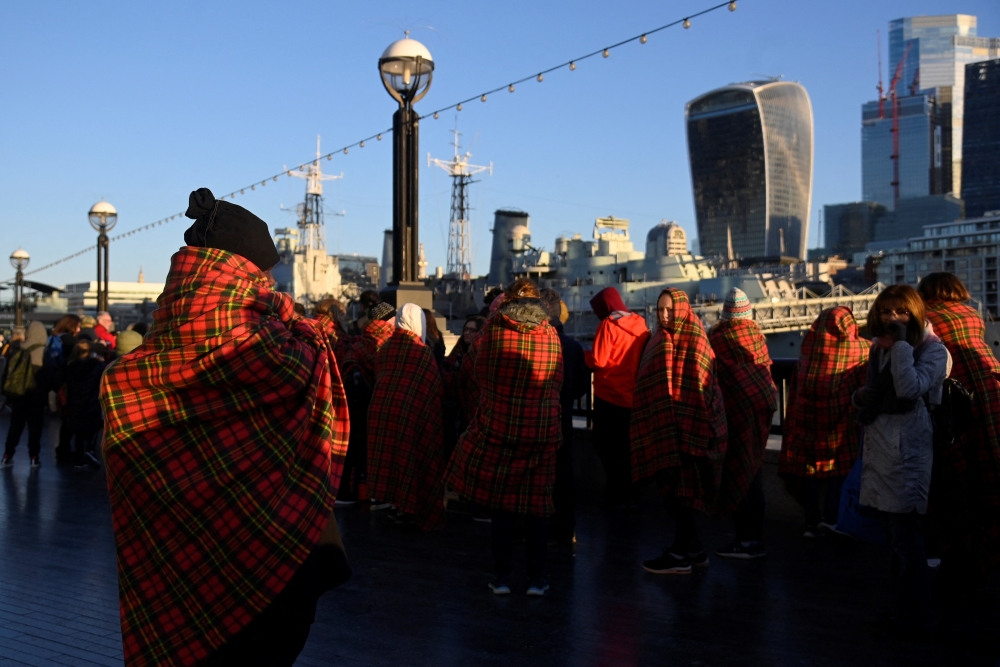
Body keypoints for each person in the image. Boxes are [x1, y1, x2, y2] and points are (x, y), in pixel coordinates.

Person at [100, 187, 351, 667]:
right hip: (269, 554)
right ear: (240, 272)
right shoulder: (278, 348)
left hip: (173, 568)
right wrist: (291, 316)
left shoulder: (140, 363)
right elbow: (308, 362)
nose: (271, 284)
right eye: (265, 273)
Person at [447, 278, 563, 595]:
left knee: (503, 509)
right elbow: (557, 379)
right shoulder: (551, 334)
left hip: (502, 428)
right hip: (541, 432)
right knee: (538, 509)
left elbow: (473, 369)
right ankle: (537, 579)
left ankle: (501, 578)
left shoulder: (494, 333)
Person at [853, 284, 948, 635]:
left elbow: (909, 389)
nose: (892, 319)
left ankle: (917, 614)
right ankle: (902, 610)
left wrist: (903, 347)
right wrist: (858, 396)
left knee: (908, 539)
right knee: (894, 540)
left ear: (915, 313)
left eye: (901, 312)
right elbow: (872, 395)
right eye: (886, 312)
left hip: (909, 451)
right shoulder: (880, 350)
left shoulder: (933, 351)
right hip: (881, 448)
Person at [631, 288, 728, 574]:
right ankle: (693, 550)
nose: (664, 315)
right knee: (675, 494)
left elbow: (698, 388)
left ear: (682, 310)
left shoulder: (694, 339)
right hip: (666, 429)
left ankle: (680, 555)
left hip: (690, 429)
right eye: (660, 310)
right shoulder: (660, 338)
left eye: (669, 310)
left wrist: (689, 432)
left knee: (682, 495)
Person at [917, 272, 1000, 600]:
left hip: (955, 413)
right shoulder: (972, 317)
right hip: (990, 404)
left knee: (954, 489)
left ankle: (957, 572)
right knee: (988, 485)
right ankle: (982, 566)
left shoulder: (927, 322)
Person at [779, 306, 869, 537]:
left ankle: (811, 520)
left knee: (810, 471)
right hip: (841, 427)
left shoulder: (807, 352)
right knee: (838, 469)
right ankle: (833, 518)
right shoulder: (861, 351)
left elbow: (796, 391)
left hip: (808, 424)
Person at [709, 288, 778, 558]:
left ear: (725, 315)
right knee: (754, 472)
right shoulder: (758, 337)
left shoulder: (718, 336)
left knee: (737, 473)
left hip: (732, 413)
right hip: (761, 412)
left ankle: (744, 539)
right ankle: (755, 538)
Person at [367, 304, 448, 529]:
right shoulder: (420, 352)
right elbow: (433, 385)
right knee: (412, 459)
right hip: (412, 411)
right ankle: (410, 507)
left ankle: (396, 504)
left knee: (392, 460)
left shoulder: (385, 348)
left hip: (382, 410)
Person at [585, 286, 650, 508]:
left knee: (605, 446)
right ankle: (630, 493)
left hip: (608, 395)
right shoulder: (640, 324)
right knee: (626, 448)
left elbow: (598, 361)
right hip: (631, 396)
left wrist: (580, 353)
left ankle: (615, 492)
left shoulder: (608, 325)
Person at [540, 289, 590, 545]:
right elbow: (583, 385)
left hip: (539, 420)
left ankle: (540, 527)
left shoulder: (538, 344)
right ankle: (566, 528)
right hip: (565, 418)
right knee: (564, 475)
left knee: (539, 476)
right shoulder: (573, 346)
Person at [341, 301, 396, 507]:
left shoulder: (359, 343)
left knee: (353, 448)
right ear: (389, 319)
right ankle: (372, 492)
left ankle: (349, 491)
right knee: (375, 450)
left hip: (354, 404)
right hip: (377, 404)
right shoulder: (389, 343)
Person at [1, 321, 49, 468]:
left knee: (16, 426)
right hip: (36, 394)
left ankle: (7, 456)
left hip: (19, 394)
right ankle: (34, 457)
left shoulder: (18, 349)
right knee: (35, 428)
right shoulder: (44, 351)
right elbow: (51, 375)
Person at [64, 339, 107, 469]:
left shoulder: (70, 366)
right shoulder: (97, 366)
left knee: (78, 432)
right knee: (92, 428)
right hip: (92, 402)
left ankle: (79, 456)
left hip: (75, 402)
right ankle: (90, 451)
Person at [46, 314, 82, 463]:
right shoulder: (68, 341)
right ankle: (67, 451)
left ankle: (63, 449)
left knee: (66, 418)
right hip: (67, 383)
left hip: (55, 381)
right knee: (71, 419)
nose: (79, 329)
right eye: (78, 326)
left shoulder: (53, 338)